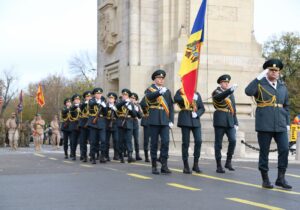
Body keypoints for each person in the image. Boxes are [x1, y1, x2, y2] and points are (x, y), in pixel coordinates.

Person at [245, 58, 292, 189]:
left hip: (281, 124)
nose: (274, 72)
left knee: (284, 149)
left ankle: (281, 178)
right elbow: (248, 91)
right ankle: (265, 179)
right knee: (264, 151)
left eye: (276, 71)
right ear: (267, 71)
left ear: (279, 72)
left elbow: (286, 106)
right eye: (271, 70)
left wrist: (287, 123)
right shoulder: (260, 84)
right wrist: (258, 77)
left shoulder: (282, 86)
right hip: (265, 123)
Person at [145, 69, 174, 175]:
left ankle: (164, 164)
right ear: (155, 79)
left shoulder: (167, 90)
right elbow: (148, 97)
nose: (161, 80)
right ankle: (154, 166)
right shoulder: (150, 89)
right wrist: (158, 92)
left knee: (165, 142)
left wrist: (171, 120)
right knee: (154, 143)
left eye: (162, 78)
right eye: (159, 78)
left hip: (164, 120)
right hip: (154, 120)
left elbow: (170, 106)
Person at [174, 88, 205, 174]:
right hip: (185, 118)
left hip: (195, 120)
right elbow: (176, 99)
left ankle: (195, 164)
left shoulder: (197, 93)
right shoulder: (181, 91)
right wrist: (189, 97)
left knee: (199, 141)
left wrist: (197, 113)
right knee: (186, 143)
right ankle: (186, 165)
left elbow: (202, 108)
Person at [212, 74, 238, 173]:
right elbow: (219, 97)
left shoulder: (231, 94)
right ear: (220, 83)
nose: (226, 84)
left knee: (233, 140)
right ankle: (219, 165)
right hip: (220, 119)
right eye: (224, 82)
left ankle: (228, 161)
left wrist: (236, 122)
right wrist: (229, 90)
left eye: (227, 83)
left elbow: (234, 108)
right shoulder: (216, 91)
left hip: (230, 120)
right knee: (218, 144)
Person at [116, 89, 137, 163]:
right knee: (120, 140)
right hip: (121, 122)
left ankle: (130, 155)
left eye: (126, 95)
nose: (124, 96)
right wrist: (125, 101)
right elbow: (117, 107)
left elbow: (134, 115)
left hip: (129, 123)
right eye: (123, 95)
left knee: (129, 140)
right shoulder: (119, 102)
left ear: (128, 96)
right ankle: (121, 155)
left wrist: (131, 109)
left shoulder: (131, 104)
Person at [87, 88, 107, 164]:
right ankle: (93, 157)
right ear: (94, 94)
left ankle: (102, 156)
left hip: (101, 123)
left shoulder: (103, 102)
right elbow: (91, 105)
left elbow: (105, 113)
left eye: (100, 94)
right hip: (93, 123)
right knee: (93, 141)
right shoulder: (91, 100)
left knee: (103, 140)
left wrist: (104, 106)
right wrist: (99, 102)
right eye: (97, 94)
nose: (99, 95)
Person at [105, 92, 119, 161]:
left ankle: (116, 155)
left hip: (115, 124)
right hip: (107, 124)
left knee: (116, 140)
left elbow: (119, 115)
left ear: (114, 99)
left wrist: (115, 109)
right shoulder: (105, 106)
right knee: (106, 141)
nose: (110, 99)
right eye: (109, 98)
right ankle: (106, 155)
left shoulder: (117, 106)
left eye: (112, 98)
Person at [79, 91, 92, 162]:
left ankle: (92, 154)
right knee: (83, 141)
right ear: (85, 98)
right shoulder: (82, 104)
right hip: (83, 123)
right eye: (87, 96)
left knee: (92, 140)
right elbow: (80, 109)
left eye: (90, 96)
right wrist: (85, 103)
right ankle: (83, 155)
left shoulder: (93, 104)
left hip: (91, 123)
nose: (89, 98)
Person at [130, 92, 143, 161]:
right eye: (131, 98)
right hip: (128, 122)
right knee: (129, 139)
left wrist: (137, 108)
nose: (132, 99)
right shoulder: (128, 104)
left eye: (134, 98)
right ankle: (130, 154)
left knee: (136, 139)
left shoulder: (137, 106)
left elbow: (140, 116)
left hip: (135, 122)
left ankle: (137, 154)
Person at [69, 94, 81, 160]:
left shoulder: (82, 106)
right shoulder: (72, 107)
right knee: (74, 141)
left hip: (81, 125)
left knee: (82, 141)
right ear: (73, 101)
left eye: (78, 99)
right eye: (76, 99)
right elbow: (71, 113)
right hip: (74, 125)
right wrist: (75, 107)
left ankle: (83, 154)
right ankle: (73, 154)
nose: (77, 100)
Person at [140, 95, 150, 162]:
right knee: (146, 140)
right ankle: (146, 156)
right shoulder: (145, 98)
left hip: (156, 121)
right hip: (147, 121)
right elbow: (142, 104)